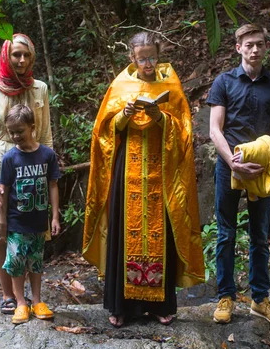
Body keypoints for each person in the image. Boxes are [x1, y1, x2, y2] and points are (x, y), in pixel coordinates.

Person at [83, 32, 204, 328]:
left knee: (160, 231)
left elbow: (184, 133)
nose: (148, 63)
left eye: (152, 57)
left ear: (158, 54)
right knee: (125, 231)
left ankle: (160, 304)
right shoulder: (120, 85)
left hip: (160, 170)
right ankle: (120, 306)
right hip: (128, 170)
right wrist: (124, 114)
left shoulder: (171, 84)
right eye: (142, 58)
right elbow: (105, 132)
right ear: (132, 58)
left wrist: (160, 117)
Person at [207, 23, 270, 326]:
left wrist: (262, 150)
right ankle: (225, 296)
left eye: (259, 44)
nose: (255, 49)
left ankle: (260, 299)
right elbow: (214, 129)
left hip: (262, 167)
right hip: (228, 164)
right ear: (238, 48)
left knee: (259, 234)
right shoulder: (224, 82)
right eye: (249, 45)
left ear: (266, 47)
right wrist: (233, 161)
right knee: (226, 232)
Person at [0, 33, 53, 315]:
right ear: (6, 56)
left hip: (33, 165)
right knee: (2, 232)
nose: (21, 60)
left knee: (32, 230)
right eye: (16, 55)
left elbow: (45, 134)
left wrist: (47, 171)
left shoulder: (40, 89)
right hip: (0, 168)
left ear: (32, 58)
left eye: (27, 55)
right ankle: (8, 295)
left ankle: (33, 297)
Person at [0, 104, 61, 324]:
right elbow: (4, 193)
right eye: (11, 132)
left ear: (32, 127)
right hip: (17, 222)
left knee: (35, 262)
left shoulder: (47, 155)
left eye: (20, 131)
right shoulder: (9, 159)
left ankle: (37, 301)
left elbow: (53, 185)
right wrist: (3, 221)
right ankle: (21, 303)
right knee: (16, 263)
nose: (15, 136)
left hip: (38, 221)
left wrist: (54, 217)